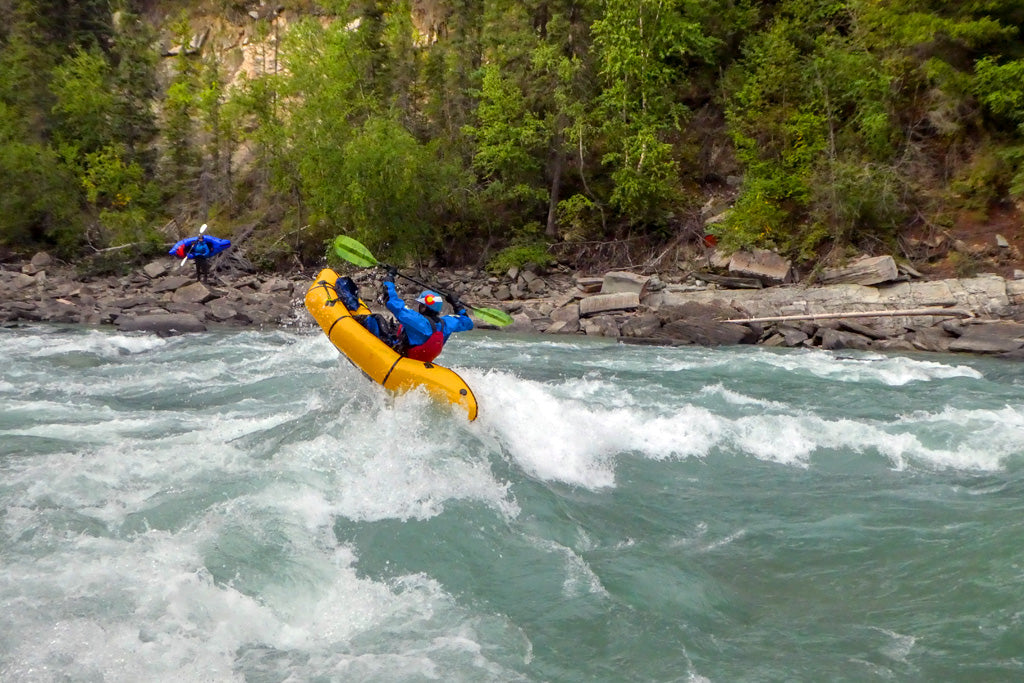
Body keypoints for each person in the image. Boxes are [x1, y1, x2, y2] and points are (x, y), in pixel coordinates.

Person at [334, 268, 473, 362]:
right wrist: (457, 305)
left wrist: (389, 278)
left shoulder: (415, 319)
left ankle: (350, 323)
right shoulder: (448, 323)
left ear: (423, 307)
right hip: (421, 359)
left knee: (376, 319)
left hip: (402, 354)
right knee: (396, 326)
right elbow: (468, 322)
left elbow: (391, 301)